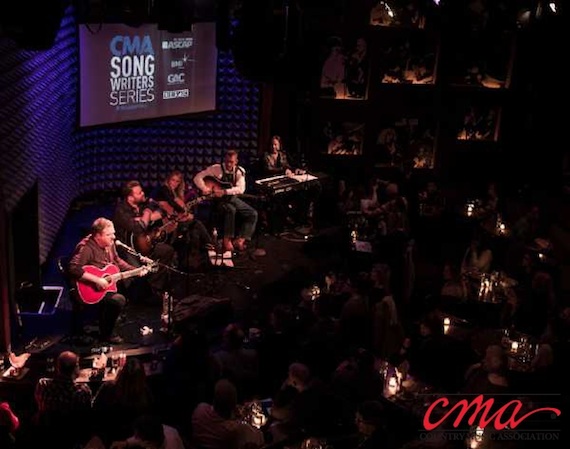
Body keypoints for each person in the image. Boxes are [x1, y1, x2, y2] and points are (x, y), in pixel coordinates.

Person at [68, 217, 139, 343]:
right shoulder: (86, 248)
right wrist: (97, 280)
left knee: (126, 284)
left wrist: (135, 270)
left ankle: (106, 324)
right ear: (97, 236)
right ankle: (107, 334)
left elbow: (117, 261)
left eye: (113, 233)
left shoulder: (109, 244)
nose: (113, 237)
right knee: (118, 300)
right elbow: (73, 268)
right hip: (87, 289)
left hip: (104, 286)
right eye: (109, 234)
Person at [113, 180, 175, 298]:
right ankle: (134, 295)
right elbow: (138, 228)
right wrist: (147, 213)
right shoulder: (121, 211)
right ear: (130, 197)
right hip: (127, 249)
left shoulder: (143, 204)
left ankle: (154, 286)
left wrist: (146, 217)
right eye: (139, 193)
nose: (143, 194)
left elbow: (161, 212)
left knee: (167, 251)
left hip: (144, 244)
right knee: (139, 271)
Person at [193, 149, 258, 252]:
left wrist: (224, 192)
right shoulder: (216, 169)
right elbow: (197, 177)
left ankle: (240, 240)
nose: (228, 164)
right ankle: (226, 239)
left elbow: (241, 189)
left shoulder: (240, 171)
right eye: (227, 161)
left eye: (231, 162)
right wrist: (205, 189)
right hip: (218, 201)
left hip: (231, 197)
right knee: (230, 210)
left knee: (253, 213)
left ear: (236, 161)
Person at [153, 170, 213, 270]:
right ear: (168, 179)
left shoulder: (174, 192)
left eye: (177, 181)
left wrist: (183, 212)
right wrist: (182, 211)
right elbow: (170, 203)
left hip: (173, 220)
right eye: (173, 180)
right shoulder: (164, 189)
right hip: (164, 223)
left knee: (195, 228)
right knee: (196, 223)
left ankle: (196, 257)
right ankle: (210, 244)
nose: (174, 183)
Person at [262, 135, 321, 232]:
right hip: (272, 183)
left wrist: (295, 170)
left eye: (276, 144)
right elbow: (268, 169)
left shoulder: (283, 154)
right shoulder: (265, 155)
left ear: (280, 145)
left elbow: (288, 166)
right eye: (272, 144)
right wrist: (284, 170)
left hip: (285, 182)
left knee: (302, 194)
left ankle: (299, 221)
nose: (273, 147)